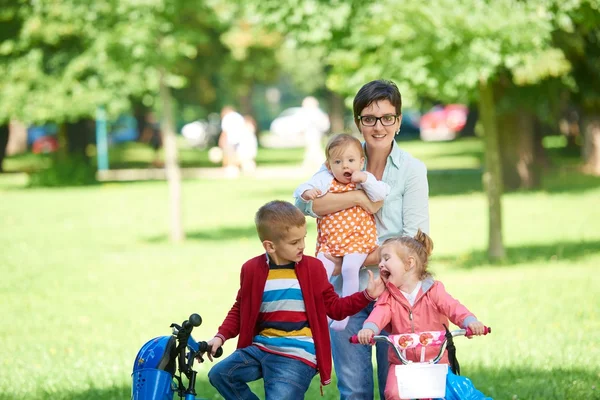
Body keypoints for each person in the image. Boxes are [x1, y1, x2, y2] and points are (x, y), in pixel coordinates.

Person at [294, 79, 430, 399]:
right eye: (369, 119)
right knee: (353, 390)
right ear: (358, 122)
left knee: (395, 389)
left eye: (387, 118)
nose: (378, 126)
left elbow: (415, 242)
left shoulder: (412, 170)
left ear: (398, 121)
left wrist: (347, 260)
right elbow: (306, 205)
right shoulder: (345, 158)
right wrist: (360, 200)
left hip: (395, 295)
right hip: (346, 296)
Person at [202, 200, 386, 400]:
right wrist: (220, 337)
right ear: (270, 246)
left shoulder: (313, 269)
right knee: (220, 374)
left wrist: (366, 295)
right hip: (262, 348)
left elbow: (335, 308)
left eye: (303, 238)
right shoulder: (252, 270)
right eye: (294, 242)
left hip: (298, 354)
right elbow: (240, 308)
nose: (302, 246)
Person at [357, 230, 486, 399]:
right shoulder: (388, 296)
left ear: (409, 264)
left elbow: (453, 307)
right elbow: (378, 314)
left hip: (435, 361)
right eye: (380, 259)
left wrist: (470, 322)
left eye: (386, 258)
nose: (380, 264)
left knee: (438, 394)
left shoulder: (433, 290)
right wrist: (369, 329)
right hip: (401, 363)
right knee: (393, 393)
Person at [293, 133, 390, 330]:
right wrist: (306, 193)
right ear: (329, 166)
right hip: (331, 241)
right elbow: (302, 187)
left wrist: (364, 179)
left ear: (361, 162)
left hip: (358, 239)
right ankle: (312, 314)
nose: (345, 166)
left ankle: (345, 314)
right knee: (317, 273)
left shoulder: (365, 179)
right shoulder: (325, 178)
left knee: (349, 269)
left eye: (351, 161)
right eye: (338, 162)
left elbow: (381, 193)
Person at [301, 96, 330, 171]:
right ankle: (308, 164)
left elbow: (323, 124)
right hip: (310, 133)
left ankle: (321, 164)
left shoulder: (315, 113)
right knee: (312, 149)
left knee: (314, 148)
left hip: (314, 133)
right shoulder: (310, 113)